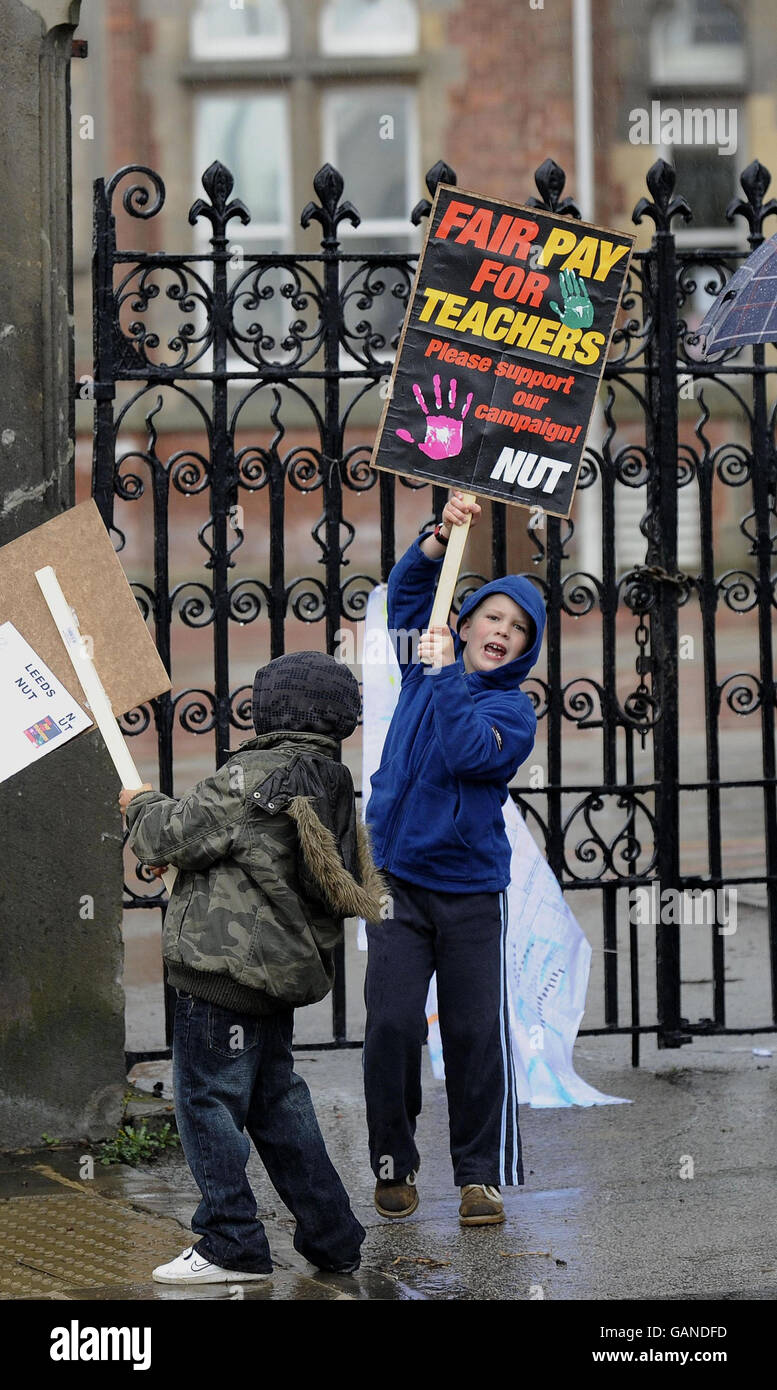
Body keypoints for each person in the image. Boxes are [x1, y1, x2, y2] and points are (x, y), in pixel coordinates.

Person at [121, 651, 385, 1284]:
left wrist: (138, 804)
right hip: (277, 976)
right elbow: (242, 853)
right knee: (277, 1104)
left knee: (207, 1101)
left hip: (223, 977)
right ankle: (333, 1237)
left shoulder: (254, 774)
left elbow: (172, 834)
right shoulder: (328, 777)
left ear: (272, 710)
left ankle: (230, 1243)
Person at [363, 490, 546, 1227]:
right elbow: (408, 590)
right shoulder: (421, 666)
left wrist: (442, 673)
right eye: (492, 617)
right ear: (463, 622)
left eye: (517, 629)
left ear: (524, 649)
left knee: (472, 1033)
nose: (501, 632)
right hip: (398, 883)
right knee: (392, 1027)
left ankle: (479, 1177)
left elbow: (471, 754)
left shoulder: (511, 710)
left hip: (470, 893)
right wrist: (443, 532)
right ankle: (392, 1163)